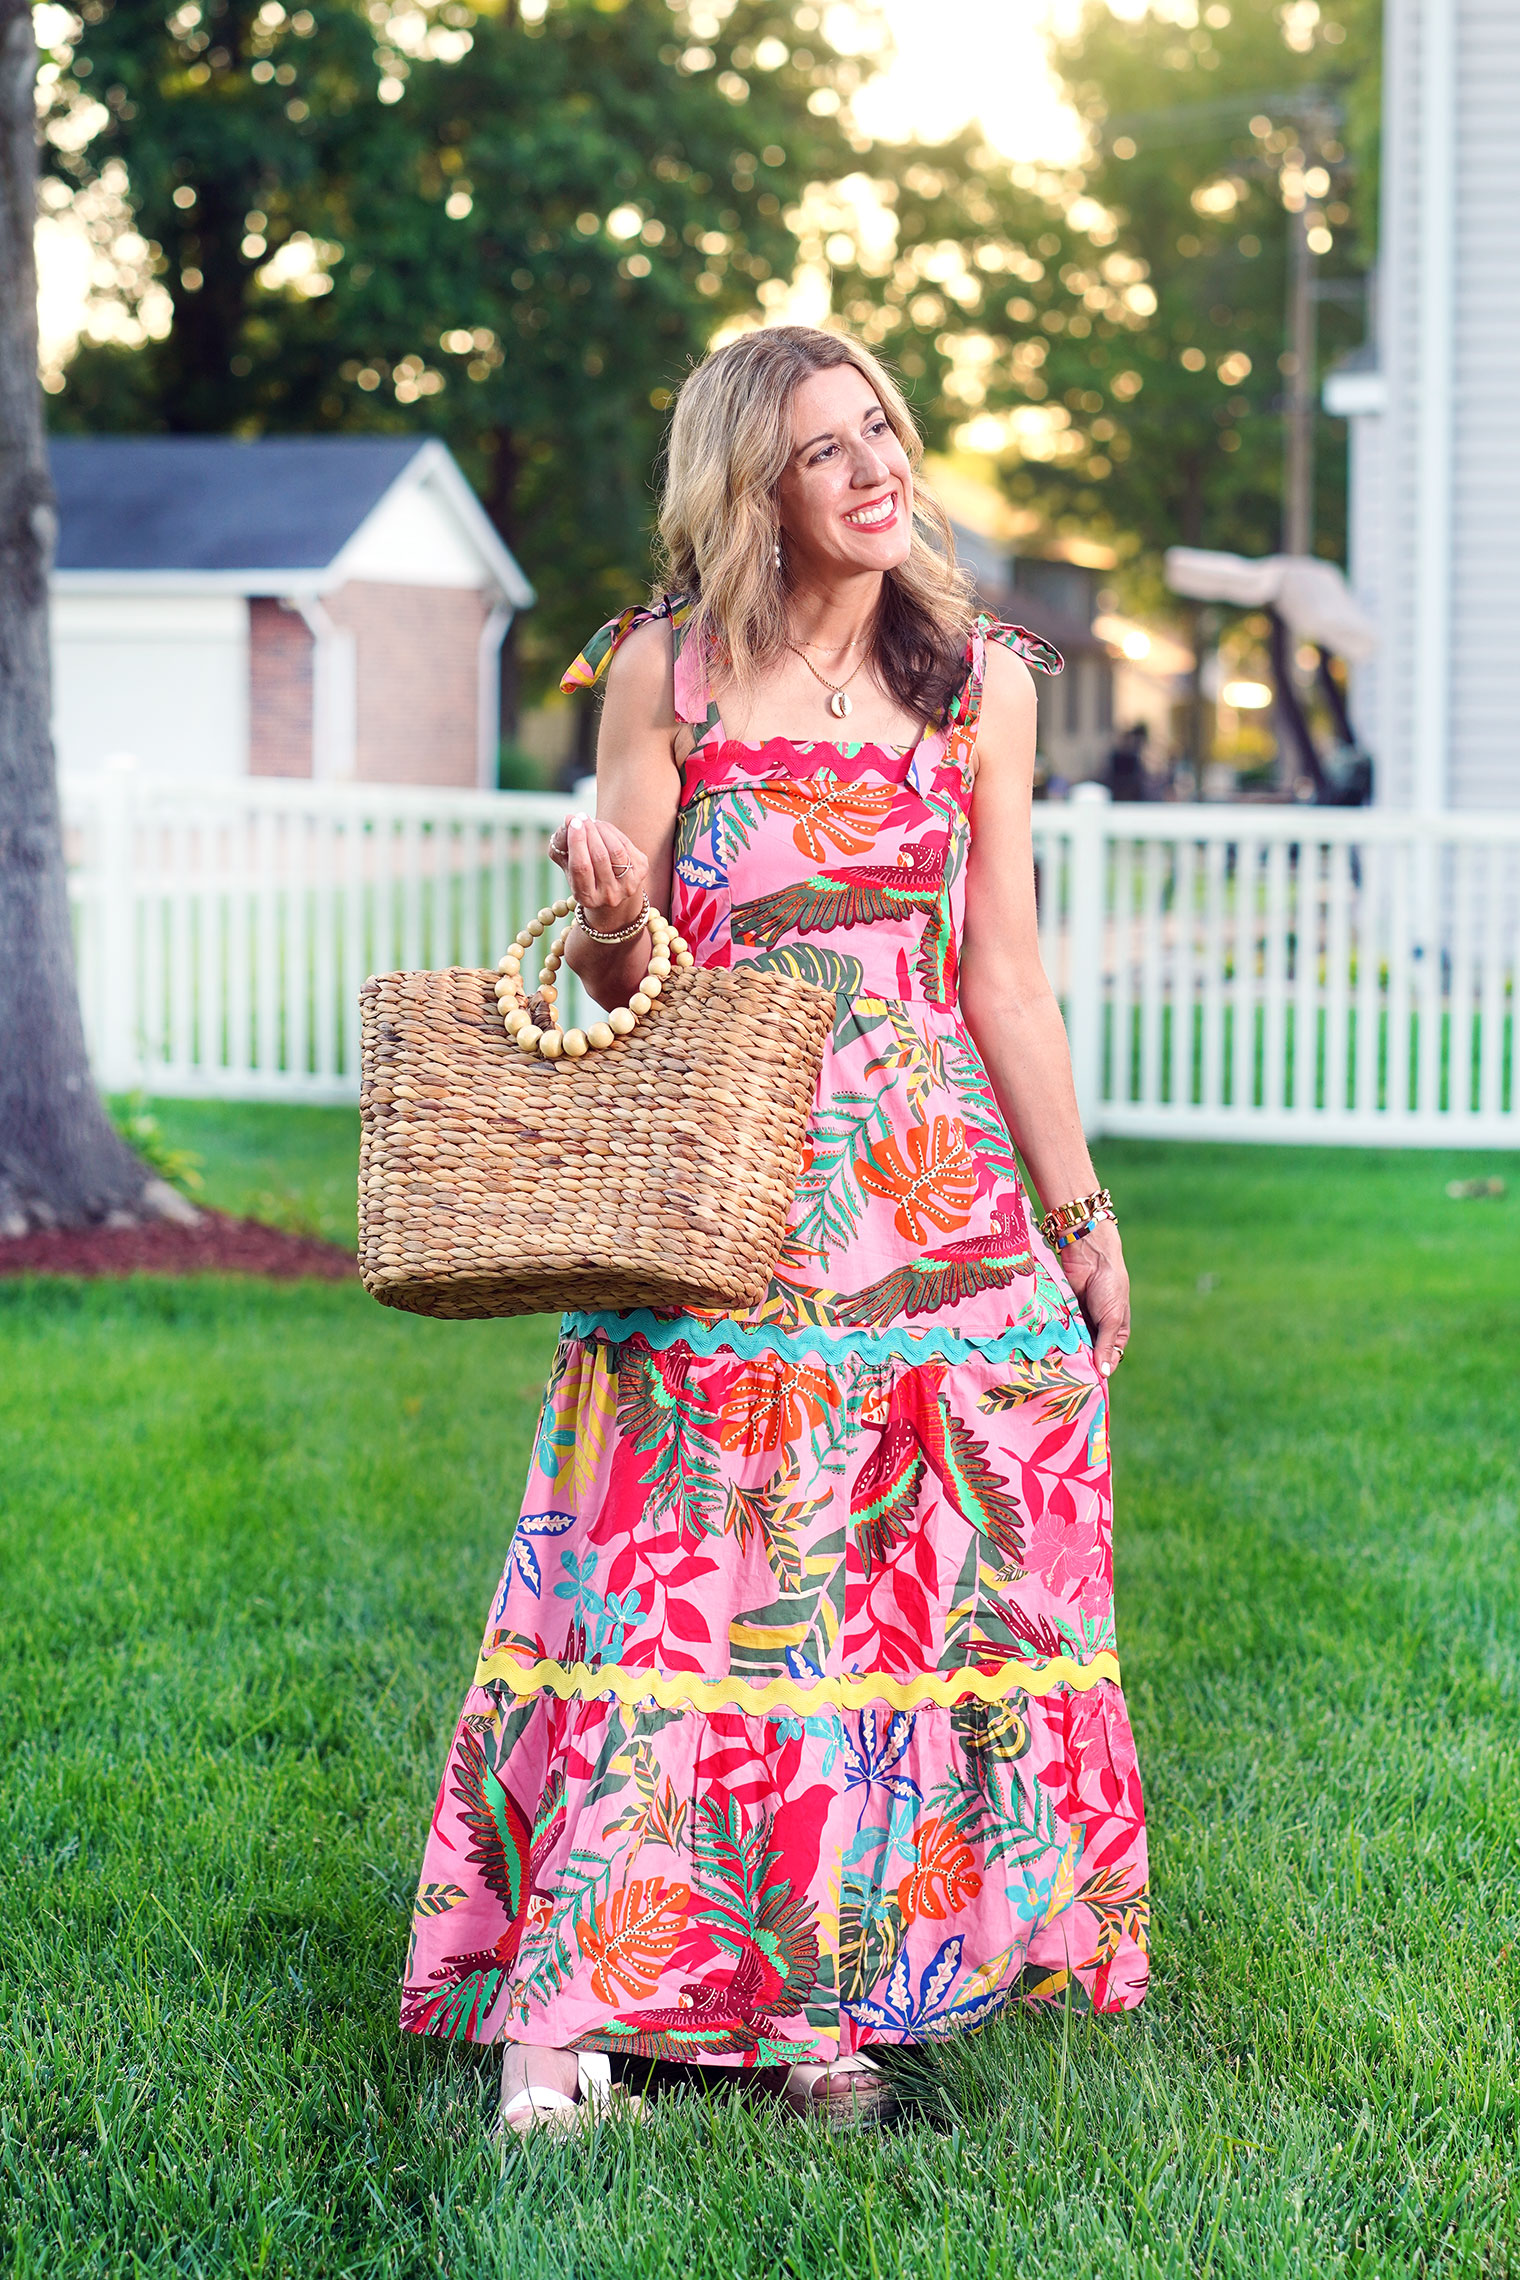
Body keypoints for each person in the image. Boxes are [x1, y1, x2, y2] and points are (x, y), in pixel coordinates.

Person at [401, 325, 1149, 2133]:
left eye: (883, 428)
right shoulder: (671, 672)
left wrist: (1080, 1214)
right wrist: (597, 911)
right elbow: (628, 965)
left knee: (909, 1579)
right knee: (690, 1580)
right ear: (756, 486)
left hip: (932, 1194)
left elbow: (1004, 974)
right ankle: (564, 2032)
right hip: (723, 1183)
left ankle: (829, 2002)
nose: (877, 468)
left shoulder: (981, 682)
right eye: (828, 449)